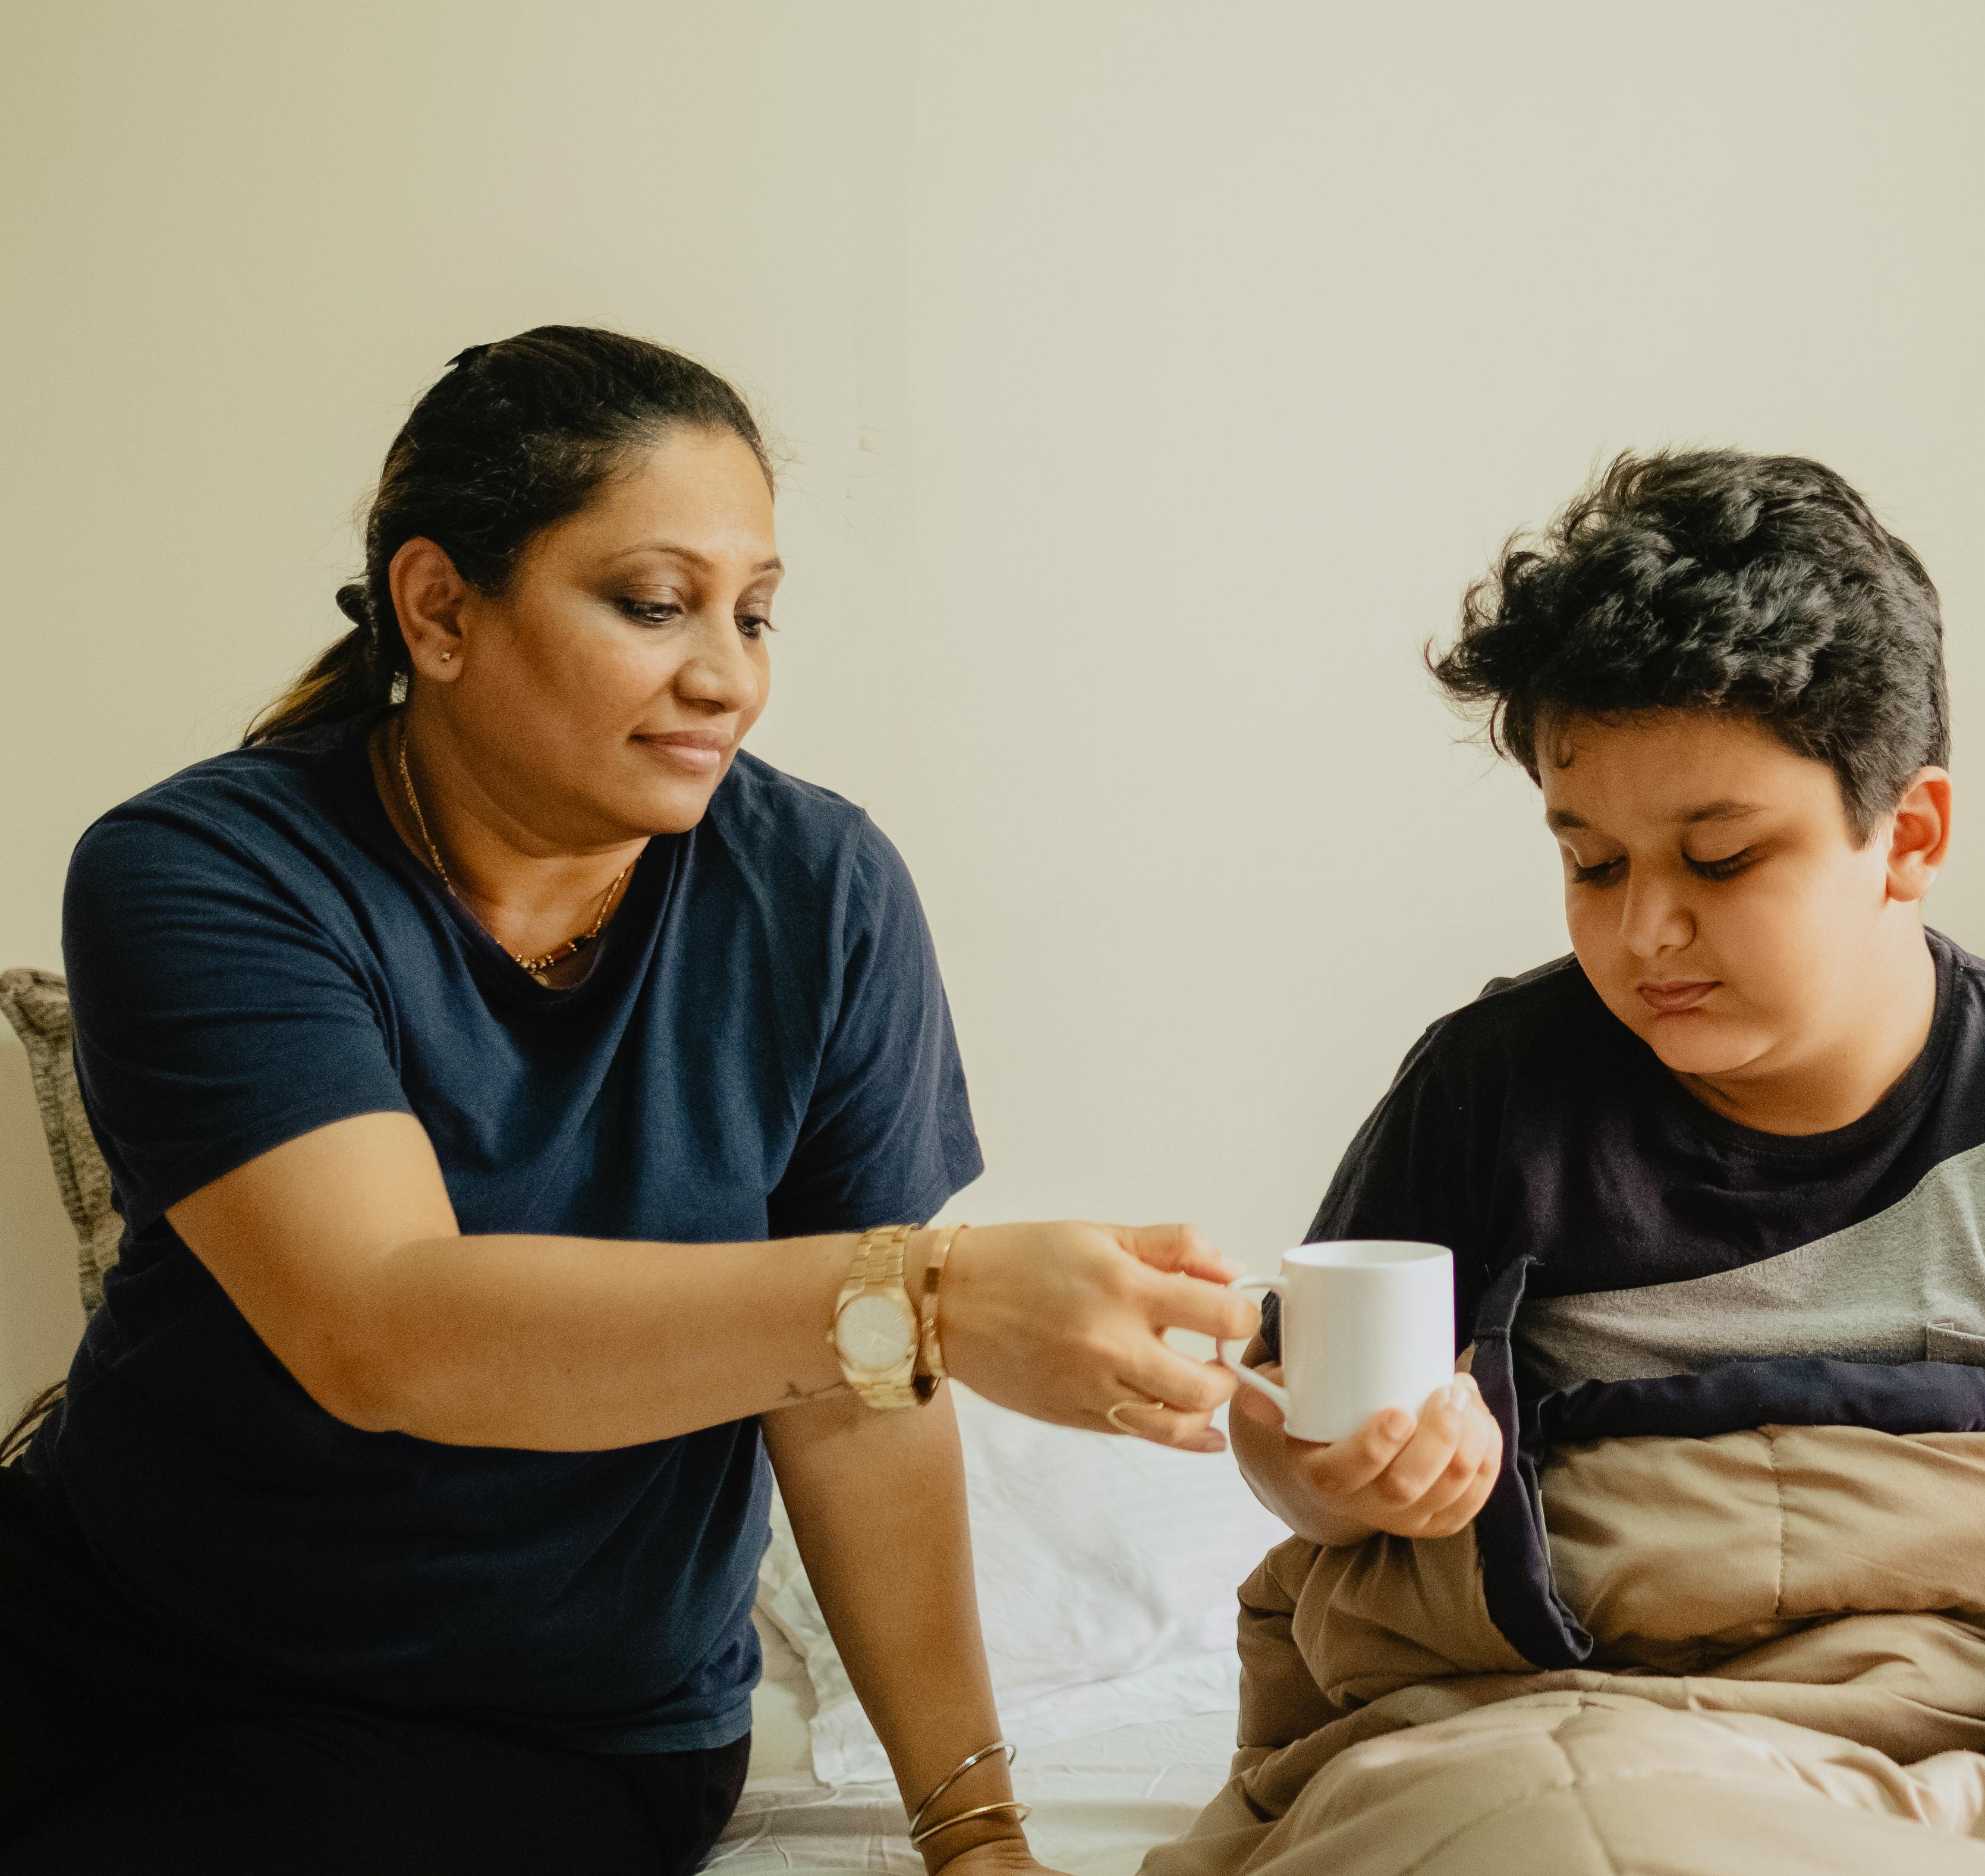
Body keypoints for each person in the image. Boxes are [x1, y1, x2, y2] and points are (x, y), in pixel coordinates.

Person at [0, 328, 1257, 1876]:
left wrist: (975, 1832)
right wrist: (927, 1292)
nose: (727, 674)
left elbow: (855, 1407)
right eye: (655, 605)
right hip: (102, 1612)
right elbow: (384, 1325)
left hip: (535, 1728)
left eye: (756, 612)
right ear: (440, 609)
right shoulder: (208, 869)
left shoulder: (818, 896)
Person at [1228, 451, 1985, 1876]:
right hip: (1596, 1734)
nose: (1645, 932)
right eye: (1594, 864)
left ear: (1906, 836)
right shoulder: (1488, 1093)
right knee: (1517, 1822)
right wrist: (1350, 1479)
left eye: (1720, 862)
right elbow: (1282, 1430)